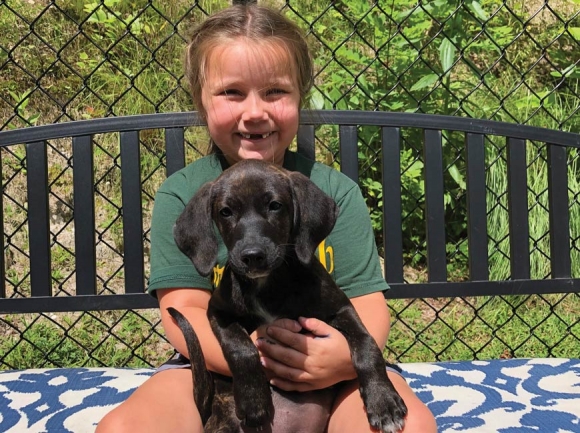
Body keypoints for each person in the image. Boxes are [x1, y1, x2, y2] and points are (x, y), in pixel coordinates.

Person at [96, 3, 437, 433]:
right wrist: (254, 364)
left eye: (275, 91)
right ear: (201, 103)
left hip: (334, 369)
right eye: (232, 92)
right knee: (126, 429)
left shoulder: (333, 193)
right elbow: (185, 310)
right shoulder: (185, 194)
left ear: (300, 97)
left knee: (410, 429)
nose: (254, 111)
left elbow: (368, 306)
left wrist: (336, 361)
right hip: (216, 368)